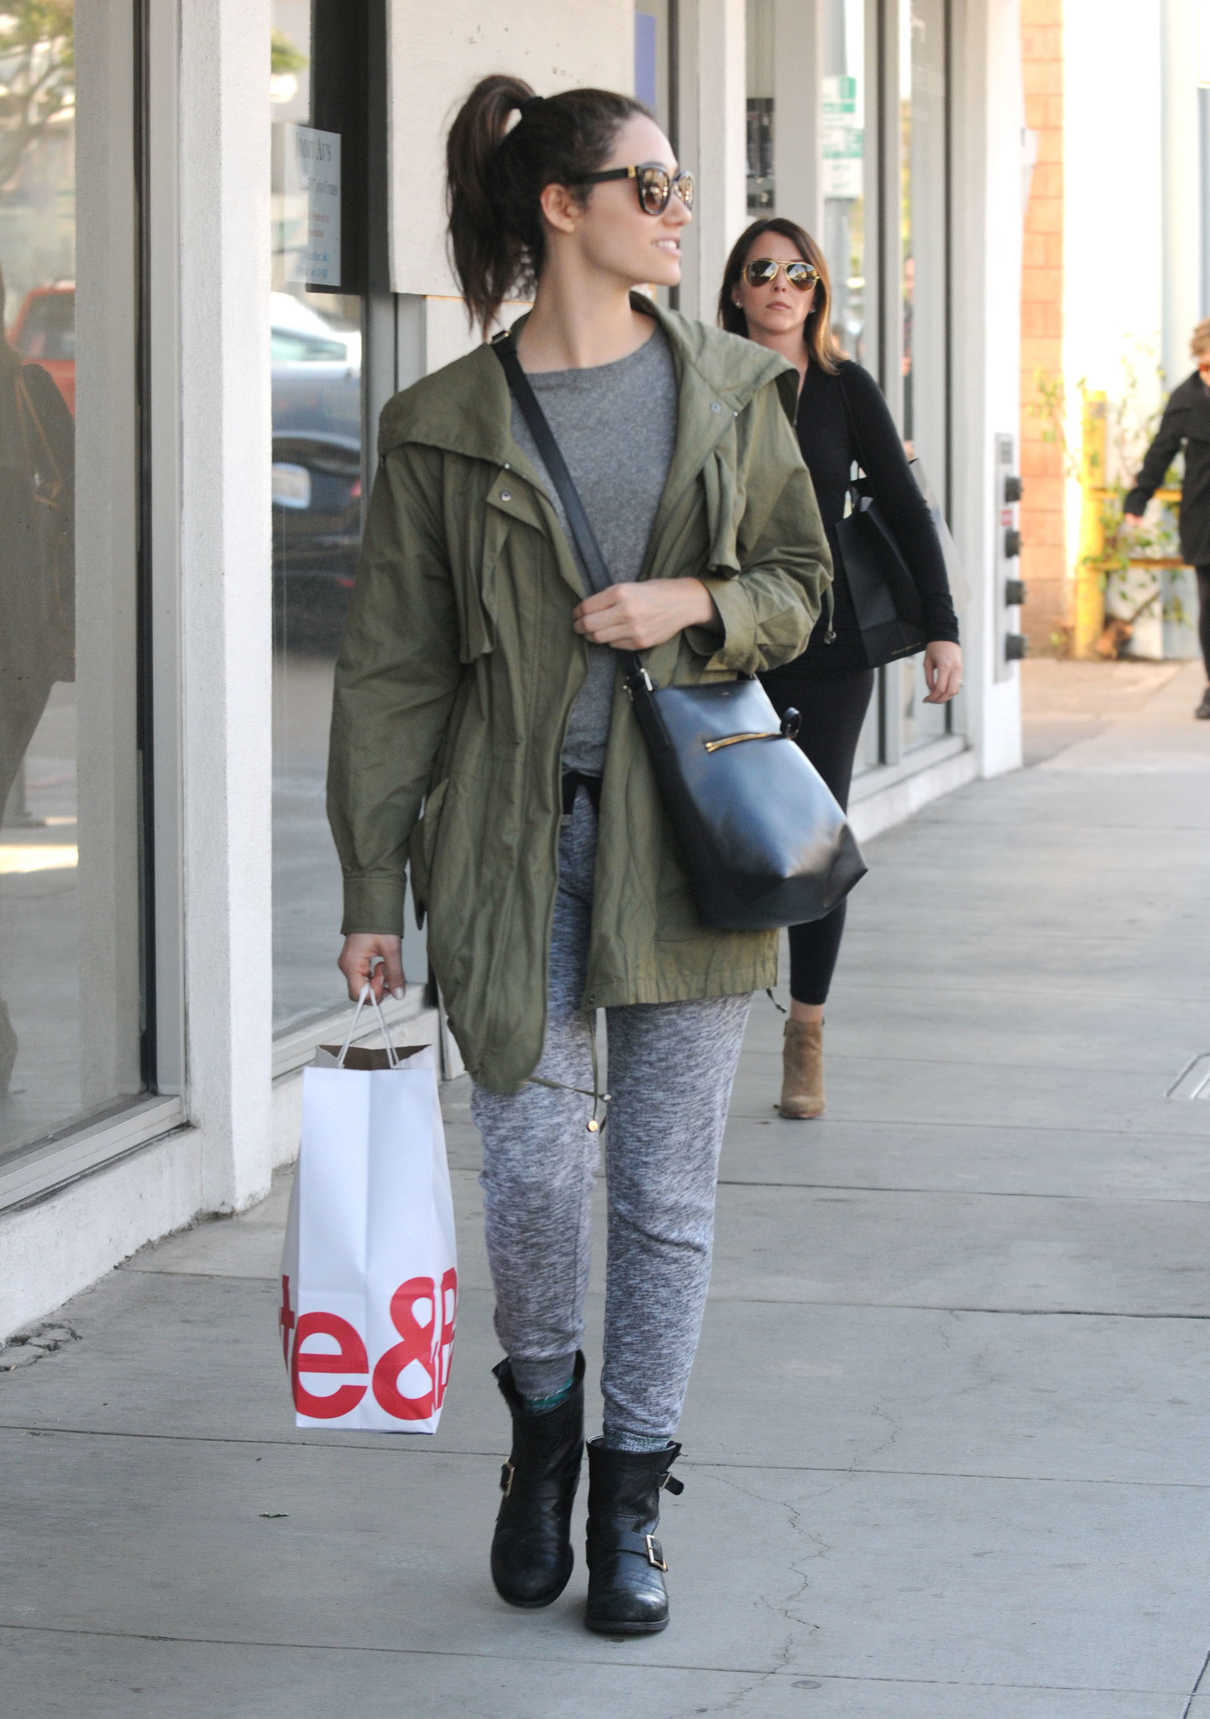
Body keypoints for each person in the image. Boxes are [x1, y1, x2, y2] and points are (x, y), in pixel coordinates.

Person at [326, 77, 831, 1636]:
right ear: (564, 206)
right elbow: (395, 665)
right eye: (653, 185)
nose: (683, 212)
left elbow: (802, 582)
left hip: (687, 848)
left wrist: (694, 604)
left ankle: (629, 1498)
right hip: (503, 845)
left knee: (666, 1194)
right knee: (538, 1180)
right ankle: (541, 1433)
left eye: (683, 188)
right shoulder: (440, 423)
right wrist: (367, 883)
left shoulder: (740, 391)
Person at [718, 216, 962, 1120]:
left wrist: (944, 628)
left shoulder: (844, 387)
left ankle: (805, 1032)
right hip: (720, 645)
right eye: (760, 270)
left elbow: (904, 508)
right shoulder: (704, 379)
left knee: (815, 840)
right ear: (737, 290)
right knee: (720, 835)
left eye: (797, 271)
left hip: (825, 652)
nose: (780, 284)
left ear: (815, 289)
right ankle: (696, 1031)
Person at [1122, 318, 1210, 718]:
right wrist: (1138, 498)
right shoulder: (1186, 399)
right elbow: (1161, 452)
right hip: (1204, 517)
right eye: (1207, 365)